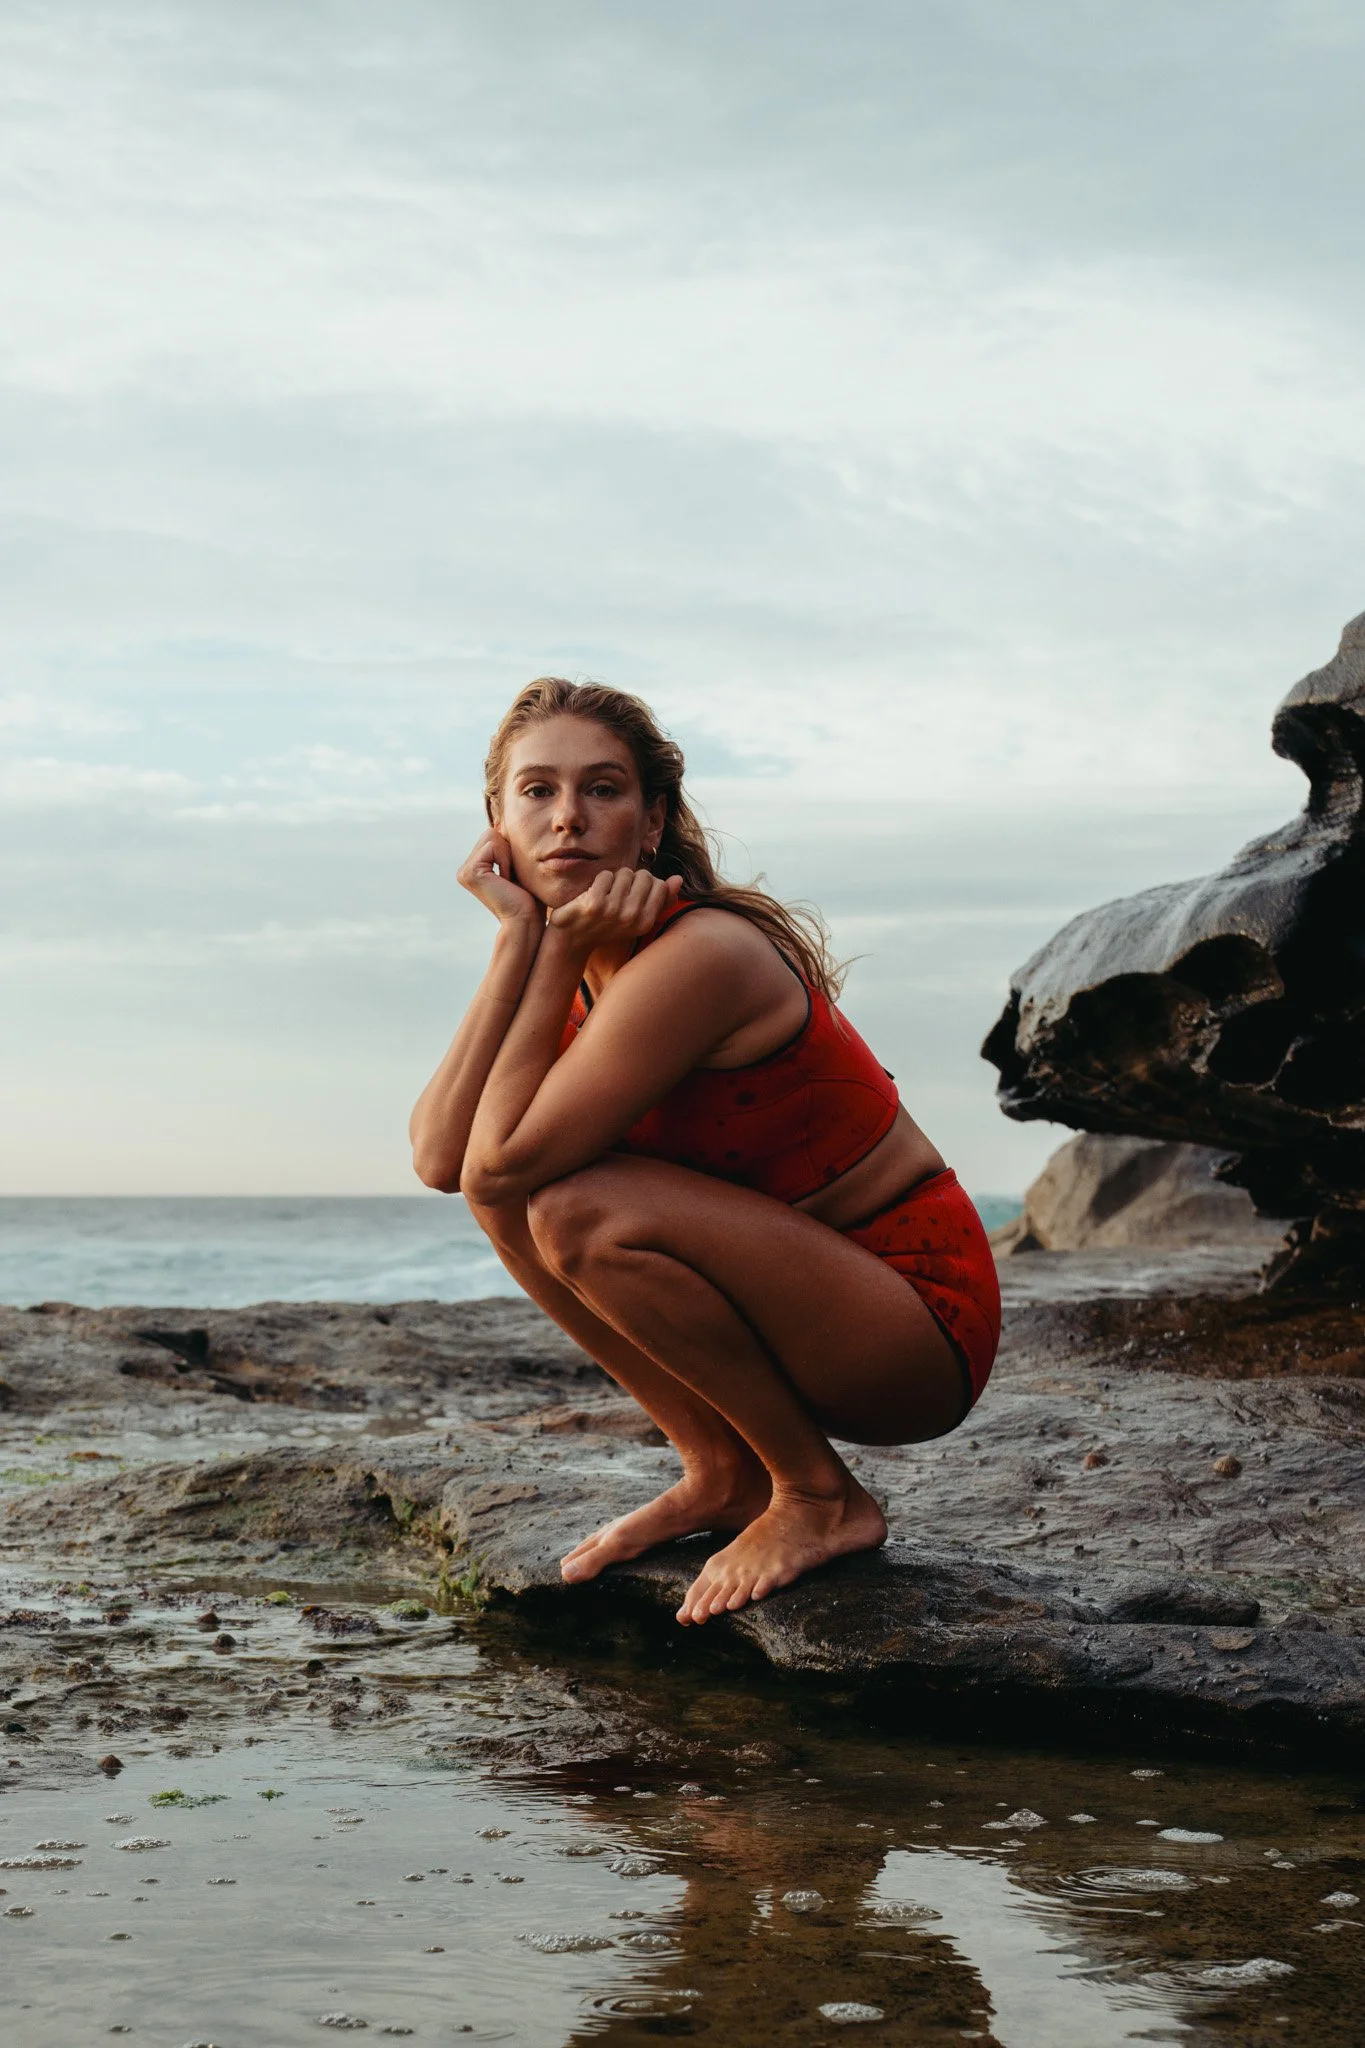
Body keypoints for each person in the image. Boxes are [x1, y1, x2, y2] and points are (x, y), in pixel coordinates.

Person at [410, 679, 1000, 1624]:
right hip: (803, 1307)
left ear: (652, 825)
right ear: (496, 824)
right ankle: (723, 1469)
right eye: (537, 793)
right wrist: (520, 938)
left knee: (568, 1204)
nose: (568, 819)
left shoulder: (700, 954)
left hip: (909, 1326)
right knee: (520, 1195)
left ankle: (818, 1497)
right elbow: (445, 1161)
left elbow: (496, 1163)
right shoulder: (578, 958)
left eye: (603, 790)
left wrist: (551, 950)